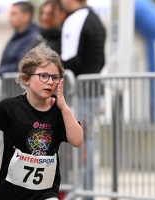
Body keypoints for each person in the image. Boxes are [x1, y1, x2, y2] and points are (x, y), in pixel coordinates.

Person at [0, 45, 83, 200]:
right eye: (43, 76)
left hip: (46, 192)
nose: (49, 82)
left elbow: (77, 140)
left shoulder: (59, 111)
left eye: (55, 77)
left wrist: (64, 107)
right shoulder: (10, 107)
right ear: (26, 78)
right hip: (11, 193)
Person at [60, 0, 106, 199]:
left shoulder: (75, 19)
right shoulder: (96, 20)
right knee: (87, 140)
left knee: (81, 142)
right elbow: (101, 60)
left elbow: (70, 60)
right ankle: (85, 191)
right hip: (94, 89)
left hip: (80, 90)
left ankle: (83, 192)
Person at [0, 1, 39, 76]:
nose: (9, 18)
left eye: (13, 14)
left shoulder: (33, 39)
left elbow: (18, 66)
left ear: (26, 16)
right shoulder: (15, 37)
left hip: (17, 86)